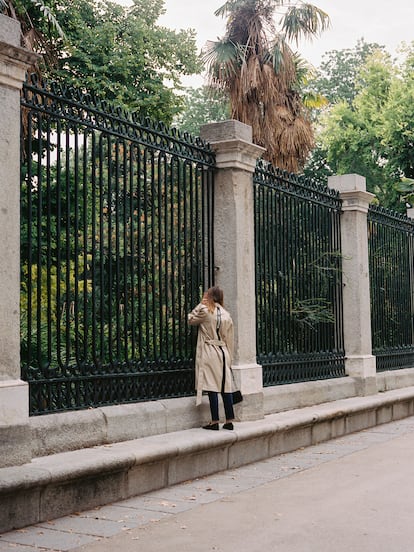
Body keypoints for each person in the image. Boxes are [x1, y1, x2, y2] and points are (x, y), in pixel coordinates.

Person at [188, 286, 235, 430]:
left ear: (209, 296)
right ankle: (229, 420)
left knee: (212, 386)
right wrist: (230, 358)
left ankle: (214, 421)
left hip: (210, 351)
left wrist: (200, 304)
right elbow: (230, 339)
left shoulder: (205, 311)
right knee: (225, 387)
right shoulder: (227, 315)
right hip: (224, 351)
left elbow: (190, 319)